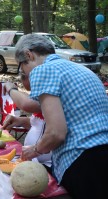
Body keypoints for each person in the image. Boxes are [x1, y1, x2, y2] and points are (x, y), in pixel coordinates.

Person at [15, 34, 108, 198]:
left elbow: (56, 133)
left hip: (82, 161)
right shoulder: (82, 70)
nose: (26, 75)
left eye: (23, 69)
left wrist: (35, 150)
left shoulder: (42, 70)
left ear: (29, 55)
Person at [2, 71, 52, 174]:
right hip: (33, 162)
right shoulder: (42, 97)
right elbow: (39, 124)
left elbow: (26, 104)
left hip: (47, 166)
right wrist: (20, 121)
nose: (33, 95)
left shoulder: (51, 99)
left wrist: (11, 89)